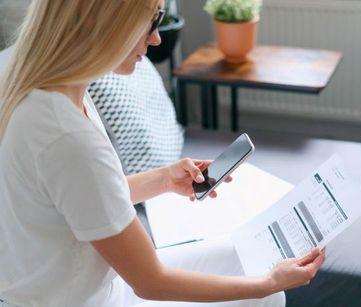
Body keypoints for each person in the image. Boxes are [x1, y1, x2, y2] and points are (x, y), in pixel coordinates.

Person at [0, 0, 326, 306]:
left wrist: (165, 179)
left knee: (246, 260)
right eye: (151, 21)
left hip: (100, 289)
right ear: (96, 18)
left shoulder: (45, 87)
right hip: (93, 300)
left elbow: (83, 197)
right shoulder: (66, 136)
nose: (156, 39)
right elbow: (150, 281)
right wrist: (271, 281)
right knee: (266, 292)